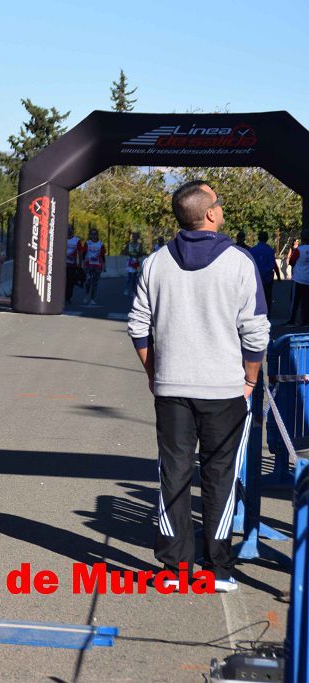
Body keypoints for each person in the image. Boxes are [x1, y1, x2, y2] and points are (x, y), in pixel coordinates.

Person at [128, 180, 269, 593]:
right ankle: (218, 568)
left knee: (172, 472)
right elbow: (256, 332)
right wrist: (250, 379)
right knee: (220, 475)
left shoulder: (155, 263)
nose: (222, 208)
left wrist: (155, 373)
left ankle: (172, 569)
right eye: (219, 204)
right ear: (209, 214)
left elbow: (138, 325)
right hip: (225, 389)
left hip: (171, 387)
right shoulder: (239, 263)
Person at [249, 230, 281, 318]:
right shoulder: (270, 250)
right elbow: (273, 264)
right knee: (267, 297)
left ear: (258, 238)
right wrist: (278, 276)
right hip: (267, 278)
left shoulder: (253, 250)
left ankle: (255, 313)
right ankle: (267, 314)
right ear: (267, 239)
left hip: (256, 277)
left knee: (256, 296)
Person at [286, 228, 309, 326]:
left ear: (302, 238)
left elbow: (291, 262)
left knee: (295, 301)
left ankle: (292, 320)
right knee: (306, 302)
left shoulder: (299, 250)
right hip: (308, 280)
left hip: (298, 279)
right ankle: (305, 321)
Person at [79, 228, 106, 305]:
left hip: (97, 265)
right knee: (88, 281)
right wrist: (83, 263)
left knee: (95, 283)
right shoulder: (87, 243)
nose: (94, 236)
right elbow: (84, 254)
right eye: (92, 234)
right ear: (90, 235)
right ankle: (86, 295)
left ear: (97, 235)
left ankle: (92, 298)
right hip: (88, 265)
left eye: (95, 234)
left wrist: (104, 265)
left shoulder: (101, 244)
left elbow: (102, 256)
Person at [122, 231, 146, 299]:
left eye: (136, 236)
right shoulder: (128, 244)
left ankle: (133, 290)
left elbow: (141, 253)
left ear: (137, 237)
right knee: (129, 275)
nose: (134, 238)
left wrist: (137, 253)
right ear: (132, 237)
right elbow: (124, 252)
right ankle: (127, 288)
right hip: (130, 261)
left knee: (135, 277)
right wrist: (128, 253)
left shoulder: (139, 245)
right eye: (133, 236)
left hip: (137, 261)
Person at [64, 226, 82, 304]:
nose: (69, 230)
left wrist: (80, 263)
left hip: (72, 265)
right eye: (68, 229)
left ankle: (68, 298)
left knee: (70, 282)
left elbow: (80, 252)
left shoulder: (76, 240)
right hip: (62, 265)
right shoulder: (62, 238)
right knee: (62, 282)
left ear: (73, 231)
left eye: (71, 229)